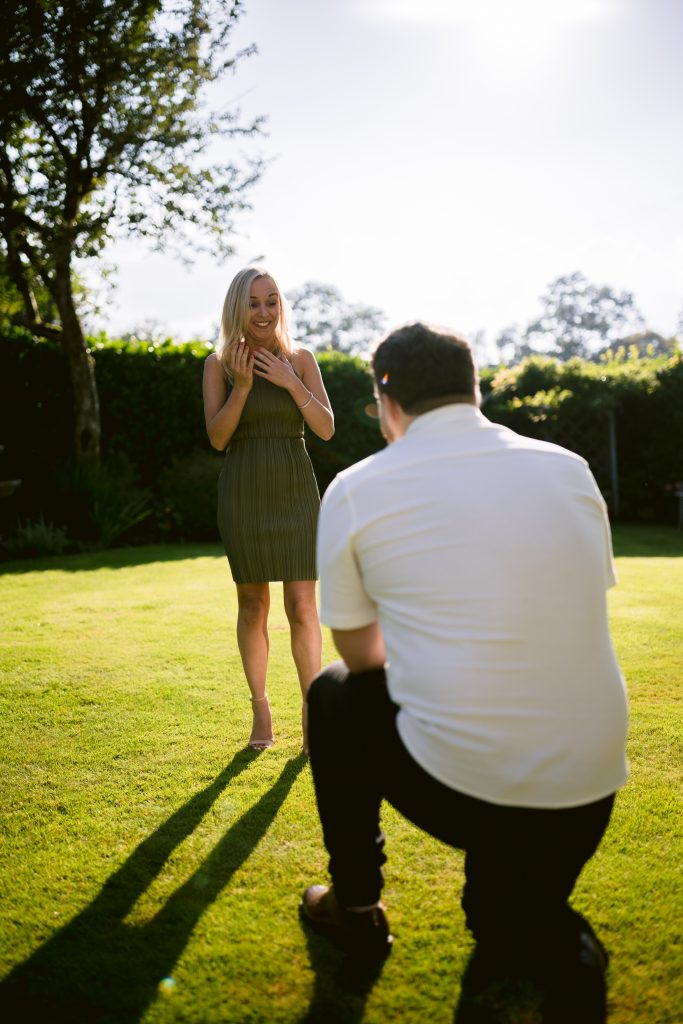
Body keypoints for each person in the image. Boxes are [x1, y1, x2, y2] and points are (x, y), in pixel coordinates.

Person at [300, 322, 628, 1023]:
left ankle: (354, 908)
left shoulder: (358, 487)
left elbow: (363, 662)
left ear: (385, 399)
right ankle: (536, 926)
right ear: (474, 388)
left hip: (474, 785)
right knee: (499, 927)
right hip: (590, 787)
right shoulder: (567, 465)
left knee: (332, 693)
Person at [203, 267, 334, 752]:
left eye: (271, 301)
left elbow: (325, 428)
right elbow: (218, 438)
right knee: (253, 605)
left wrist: (288, 381)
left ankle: (311, 712)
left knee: (303, 606)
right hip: (245, 491)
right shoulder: (218, 365)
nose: (263, 312)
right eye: (253, 303)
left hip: (296, 490)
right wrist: (241, 386)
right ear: (237, 307)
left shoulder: (300, 359)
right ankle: (261, 711)